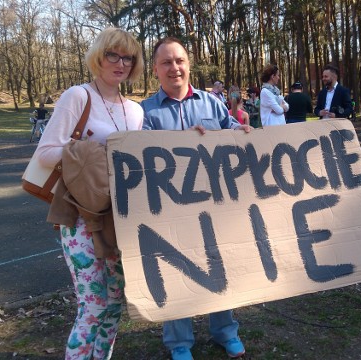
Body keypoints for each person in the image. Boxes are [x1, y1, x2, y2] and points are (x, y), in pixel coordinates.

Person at [34, 28, 144, 359]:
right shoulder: (78, 96)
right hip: (80, 216)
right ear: (99, 56)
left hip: (117, 216)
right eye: (113, 54)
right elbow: (45, 153)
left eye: (128, 57)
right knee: (93, 304)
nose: (120, 63)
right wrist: (95, 147)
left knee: (113, 302)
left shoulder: (136, 111)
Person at [141, 37, 250, 360]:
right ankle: (179, 343)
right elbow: (140, 161)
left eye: (180, 61)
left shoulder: (212, 104)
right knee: (175, 272)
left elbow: (233, 134)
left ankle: (225, 332)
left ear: (188, 64)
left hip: (216, 207)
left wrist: (242, 132)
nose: (174, 68)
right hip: (169, 210)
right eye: (166, 62)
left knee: (220, 266)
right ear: (155, 70)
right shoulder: (144, 112)